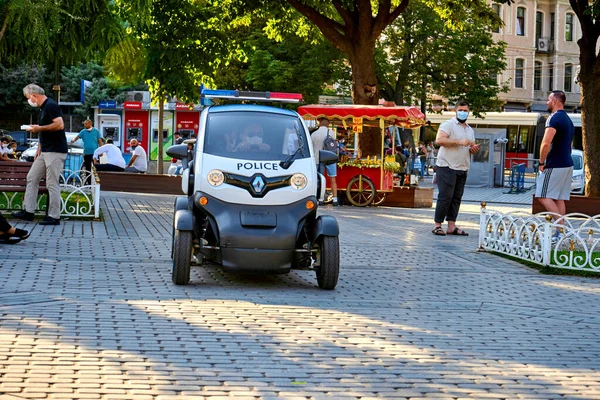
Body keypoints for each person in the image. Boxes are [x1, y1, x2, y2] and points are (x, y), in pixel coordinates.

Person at [13, 84, 68, 226]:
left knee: (52, 182)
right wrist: (39, 146)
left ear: (34, 95)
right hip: (45, 150)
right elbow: (44, 131)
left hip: (55, 150)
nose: (29, 101)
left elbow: (59, 125)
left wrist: (39, 128)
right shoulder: (43, 108)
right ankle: (28, 211)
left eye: (28, 97)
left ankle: (54, 216)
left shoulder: (51, 106)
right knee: (32, 177)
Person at [432, 100, 479, 236]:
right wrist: (458, 142)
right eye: (461, 110)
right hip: (447, 166)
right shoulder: (448, 124)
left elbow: (470, 148)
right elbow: (439, 140)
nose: (463, 113)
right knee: (445, 196)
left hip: (462, 167)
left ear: (469, 112)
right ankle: (437, 224)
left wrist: (473, 149)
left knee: (456, 197)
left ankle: (451, 226)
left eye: (465, 110)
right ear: (456, 111)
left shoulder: (470, 130)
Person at [535, 90, 575, 243]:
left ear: (556, 102)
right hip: (567, 163)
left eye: (549, 99)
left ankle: (562, 228)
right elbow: (570, 145)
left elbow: (546, 143)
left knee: (543, 196)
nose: (547, 102)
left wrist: (541, 162)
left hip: (555, 164)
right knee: (559, 198)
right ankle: (560, 234)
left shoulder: (554, 118)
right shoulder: (568, 119)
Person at [311, 117, 339, 206]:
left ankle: (320, 198)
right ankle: (335, 199)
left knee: (319, 179)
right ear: (327, 124)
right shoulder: (331, 133)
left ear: (319, 123)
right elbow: (334, 145)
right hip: (330, 158)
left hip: (317, 159)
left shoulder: (313, 134)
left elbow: (311, 148)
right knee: (333, 178)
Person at [71, 119, 103, 184]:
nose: (85, 125)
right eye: (84, 124)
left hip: (95, 153)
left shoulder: (96, 131)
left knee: (96, 167)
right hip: (87, 153)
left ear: (90, 124)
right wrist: (73, 140)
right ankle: (89, 183)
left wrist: (101, 151)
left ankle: (97, 183)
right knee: (87, 168)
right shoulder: (83, 131)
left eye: (86, 124)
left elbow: (99, 141)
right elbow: (77, 136)